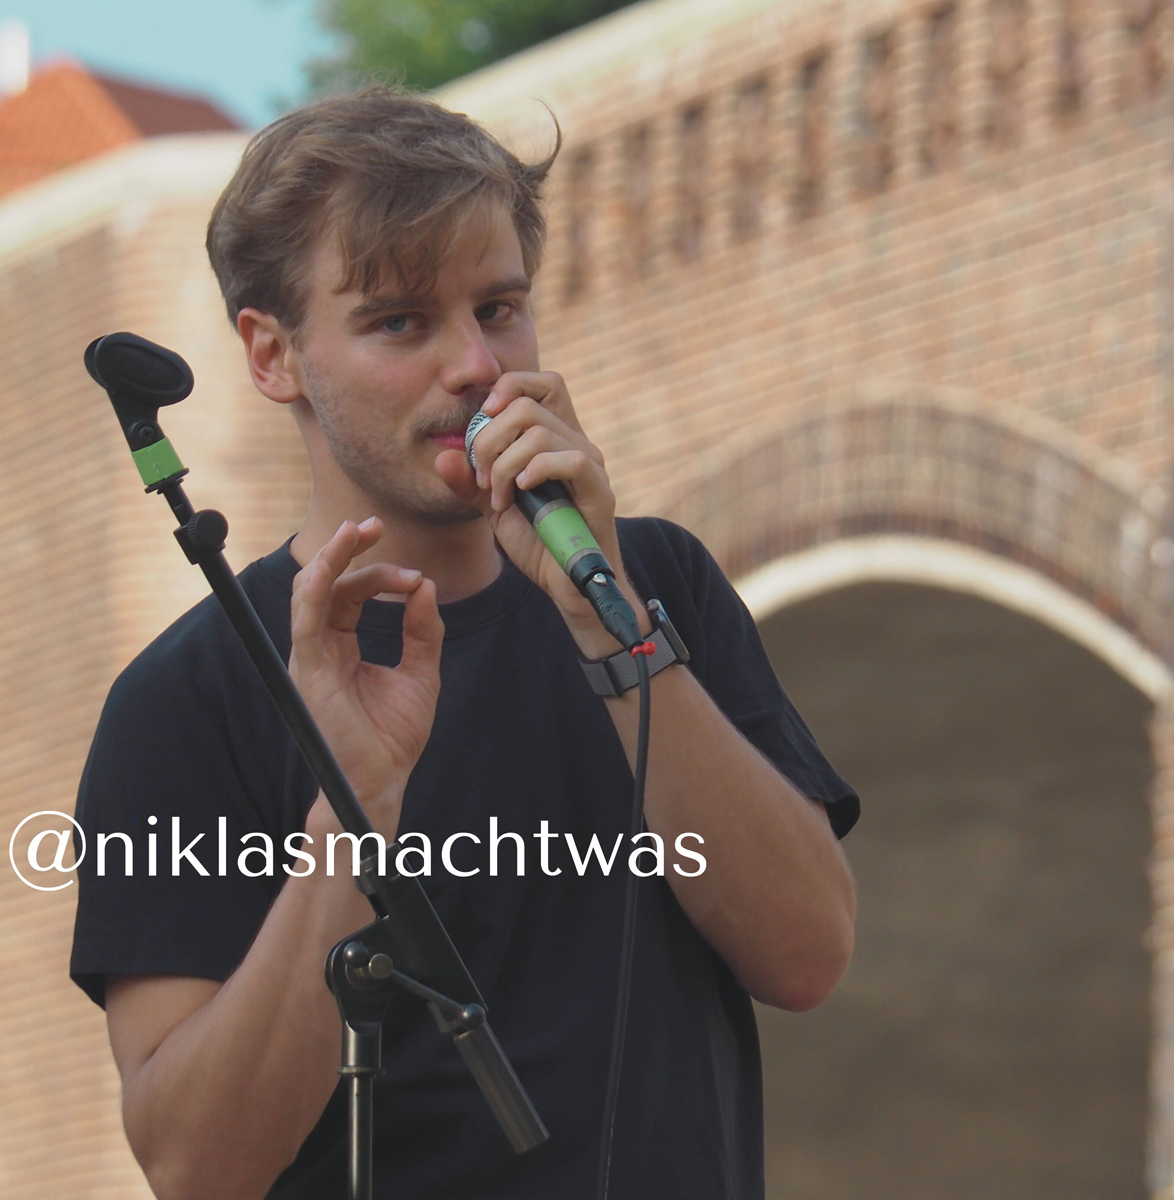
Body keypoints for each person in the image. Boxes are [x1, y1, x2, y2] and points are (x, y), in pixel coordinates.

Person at [70, 87, 859, 1200]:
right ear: (273, 354)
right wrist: (355, 808)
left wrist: (616, 634)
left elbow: (808, 955)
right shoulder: (188, 697)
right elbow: (197, 1166)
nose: (477, 364)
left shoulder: (656, 581)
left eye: (499, 307)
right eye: (401, 322)